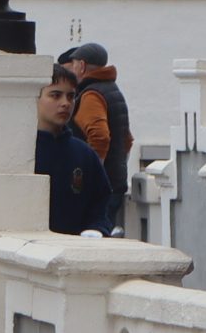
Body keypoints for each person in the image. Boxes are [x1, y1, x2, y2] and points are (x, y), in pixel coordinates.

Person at [58, 42, 132, 234]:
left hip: (101, 187)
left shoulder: (91, 94)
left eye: (74, 64)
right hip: (116, 182)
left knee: (93, 234)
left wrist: (93, 174)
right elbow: (127, 140)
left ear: (81, 66)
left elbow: (99, 137)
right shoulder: (112, 90)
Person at [34, 66, 109, 236]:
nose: (65, 103)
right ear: (36, 98)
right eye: (55, 95)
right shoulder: (20, 152)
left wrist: (97, 230)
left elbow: (100, 205)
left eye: (71, 96)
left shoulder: (84, 154)